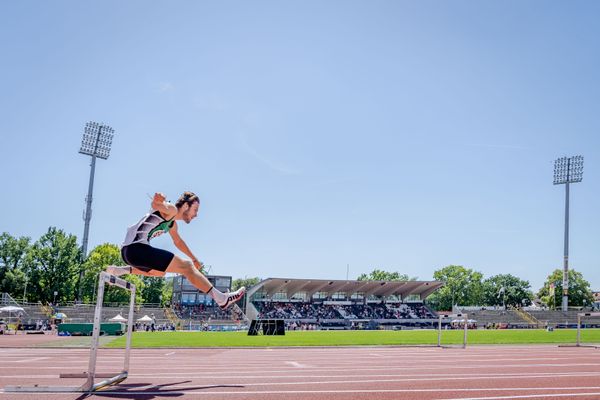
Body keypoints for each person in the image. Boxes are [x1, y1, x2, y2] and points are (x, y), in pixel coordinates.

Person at [107, 191, 245, 310]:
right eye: (195, 210)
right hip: (136, 248)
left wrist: (194, 258)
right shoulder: (171, 210)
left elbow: (178, 241)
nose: (196, 215)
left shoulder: (172, 224)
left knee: (160, 272)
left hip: (129, 253)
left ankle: (121, 270)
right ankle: (221, 298)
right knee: (186, 266)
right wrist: (159, 198)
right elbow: (155, 205)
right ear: (185, 206)